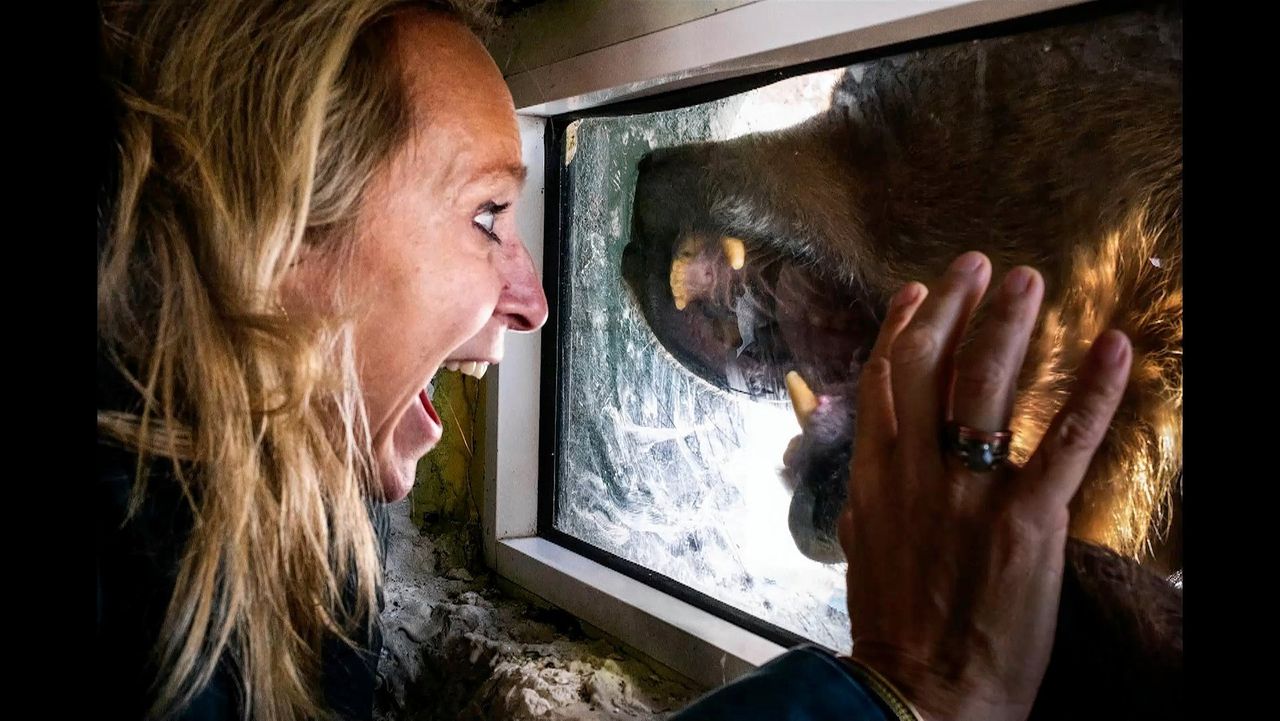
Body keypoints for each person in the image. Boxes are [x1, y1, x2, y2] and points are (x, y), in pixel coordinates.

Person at [95, 2, 1136, 720]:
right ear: (272, 227)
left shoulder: (249, 536)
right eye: (486, 214)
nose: (537, 300)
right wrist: (897, 689)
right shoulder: (134, 588)